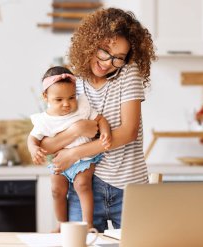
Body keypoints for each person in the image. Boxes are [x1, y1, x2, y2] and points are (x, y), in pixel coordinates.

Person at [38, 8, 156, 232]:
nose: (108, 62)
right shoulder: (73, 82)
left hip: (128, 185)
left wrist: (74, 152)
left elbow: (128, 131)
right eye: (105, 51)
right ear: (90, 43)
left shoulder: (129, 73)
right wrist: (76, 131)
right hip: (85, 186)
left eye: (119, 57)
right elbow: (47, 144)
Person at [27, 66, 111, 232]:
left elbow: (100, 119)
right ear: (46, 97)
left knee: (82, 185)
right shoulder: (44, 120)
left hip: (83, 159)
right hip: (61, 161)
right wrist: (33, 149)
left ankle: (88, 224)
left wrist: (106, 132)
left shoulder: (82, 107)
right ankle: (61, 223)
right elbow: (32, 138)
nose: (66, 104)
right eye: (59, 100)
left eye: (71, 97)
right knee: (56, 190)